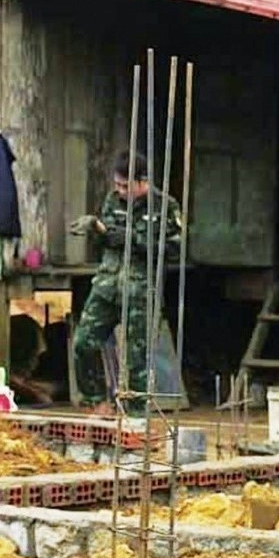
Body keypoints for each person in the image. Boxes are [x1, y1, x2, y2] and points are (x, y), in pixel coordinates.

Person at [70, 151, 182, 415]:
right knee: (83, 342)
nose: (119, 191)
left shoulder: (165, 207)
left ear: (142, 182)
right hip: (108, 285)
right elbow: (107, 238)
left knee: (137, 362)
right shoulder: (113, 201)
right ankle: (97, 402)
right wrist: (96, 229)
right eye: (117, 185)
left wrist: (133, 240)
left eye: (125, 186)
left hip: (141, 291)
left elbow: (175, 249)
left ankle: (135, 418)